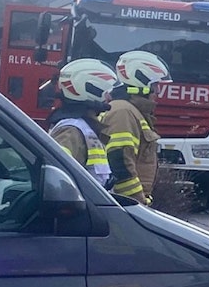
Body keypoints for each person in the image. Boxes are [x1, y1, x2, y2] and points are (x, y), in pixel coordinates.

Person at [102, 50, 170, 205]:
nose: (157, 92)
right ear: (141, 84)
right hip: (126, 203)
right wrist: (136, 201)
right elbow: (119, 160)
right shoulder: (123, 112)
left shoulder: (132, 111)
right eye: (155, 86)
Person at [47, 58, 115, 186]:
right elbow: (59, 179)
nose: (109, 98)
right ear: (90, 91)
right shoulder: (71, 131)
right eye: (106, 92)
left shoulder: (84, 127)